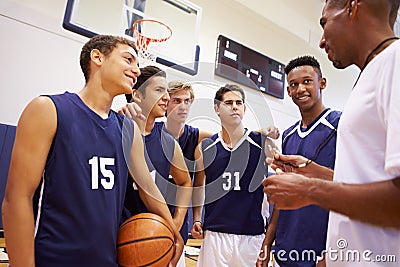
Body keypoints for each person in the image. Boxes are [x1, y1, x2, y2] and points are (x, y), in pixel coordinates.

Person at [1, 35, 183, 267]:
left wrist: (173, 230)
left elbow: (147, 187)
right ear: (97, 57)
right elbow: (16, 198)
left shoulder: (127, 129)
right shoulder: (48, 109)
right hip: (53, 258)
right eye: (128, 60)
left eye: (137, 65)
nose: (136, 70)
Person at [263, 0, 400, 266]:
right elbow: (364, 184)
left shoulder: (395, 63)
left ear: (352, 7)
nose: (322, 41)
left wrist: (311, 189)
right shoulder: (372, 74)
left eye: (324, 23)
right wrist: (315, 172)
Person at [257, 55, 341, 267]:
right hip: (287, 245)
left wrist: (334, 251)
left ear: (322, 83)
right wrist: (267, 243)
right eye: (294, 84)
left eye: (307, 81)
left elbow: (352, 185)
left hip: (322, 248)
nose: (300, 89)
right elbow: (283, 196)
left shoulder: (340, 124)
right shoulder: (289, 134)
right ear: (288, 92)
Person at [191, 84, 278, 267]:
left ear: (245, 109)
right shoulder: (205, 147)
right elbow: (199, 187)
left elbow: (284, 181)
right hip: (215, 235)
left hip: (252, 236)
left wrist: (269, 240)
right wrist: (197, 218)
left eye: (239, 103)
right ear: (217, 108)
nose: (234, 106)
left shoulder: (263, 144)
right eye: (228, 102)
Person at [122, 66, 192, 267]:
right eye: (159, 91)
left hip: (160, 235)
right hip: (123, 235)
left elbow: (186, 182)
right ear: (137, 95)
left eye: (167, 92)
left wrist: (176, 222)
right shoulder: (117, 130)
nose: (166, 98)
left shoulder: (168, 142)